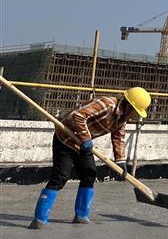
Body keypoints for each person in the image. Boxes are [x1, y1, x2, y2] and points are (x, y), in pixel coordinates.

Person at [29, 87, 151, 229]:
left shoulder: (122, 118)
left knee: (89, 174)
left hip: (82, 145)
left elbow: (118, 137)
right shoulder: (106, 104)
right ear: (129, 106)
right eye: (135, 112)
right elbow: (78, 116)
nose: (135, 116)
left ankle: (81, 215)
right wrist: (86, 138)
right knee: (60, 177)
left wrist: (120, 161)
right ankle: (39, 219)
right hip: (65, 139)